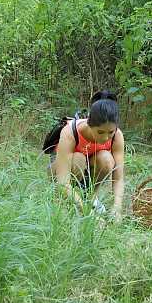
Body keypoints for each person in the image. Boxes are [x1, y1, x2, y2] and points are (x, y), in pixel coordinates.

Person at [49, 90, 124, 220]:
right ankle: (64, 201)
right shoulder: (70, 132)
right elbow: (63, 181)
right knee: (78, 159)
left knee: (106, 159)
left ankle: (91, 197)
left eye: (110, 132)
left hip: (90, 170)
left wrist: (117, 208)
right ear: (89, 123)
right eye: (100, 132)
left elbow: (118, 178)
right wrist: (88, 213)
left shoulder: (117, 135)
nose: (106, 137)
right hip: (63, 171)